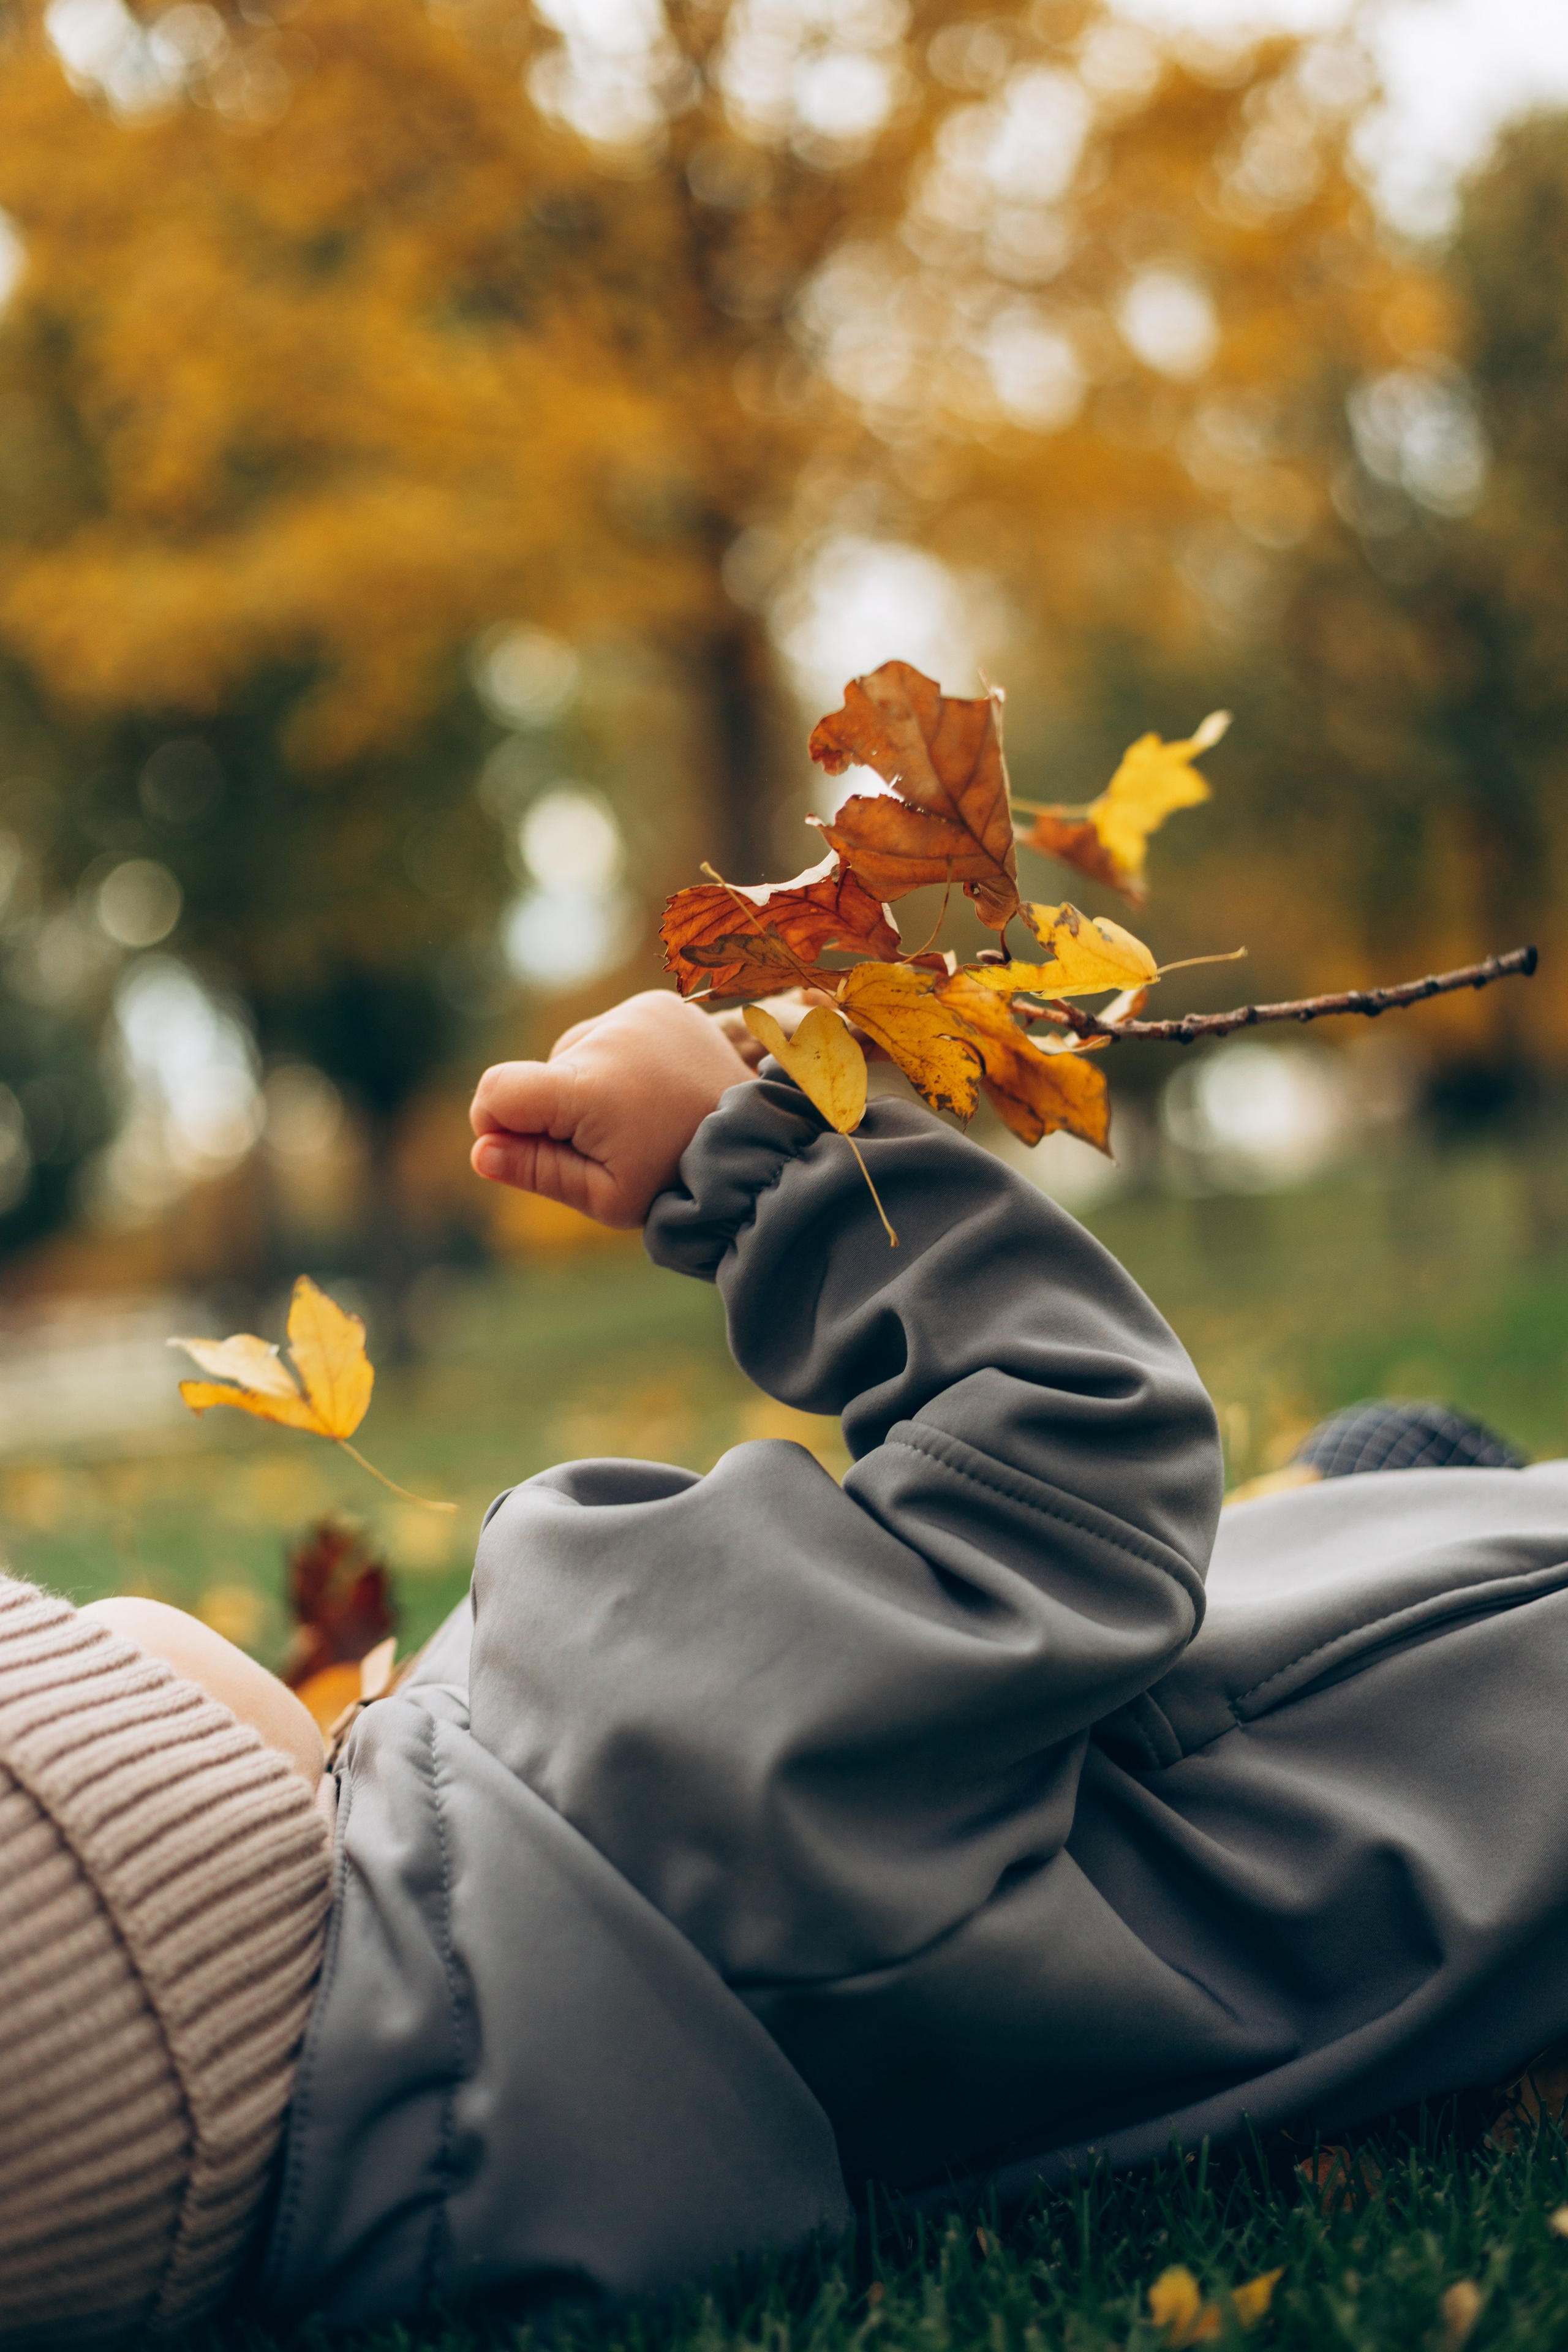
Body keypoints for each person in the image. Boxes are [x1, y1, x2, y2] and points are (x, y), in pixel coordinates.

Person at [6, 987, 1568, 2346]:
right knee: (1394, 1479)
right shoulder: (644, 1754)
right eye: (74, 1646)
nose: (99, 1614)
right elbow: (1079, 1443)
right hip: (1463, 1725)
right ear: (173, 1872)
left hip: (1267, 1913)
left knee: (1352, 1482)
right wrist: (746, 1162)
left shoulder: (461, 2208)